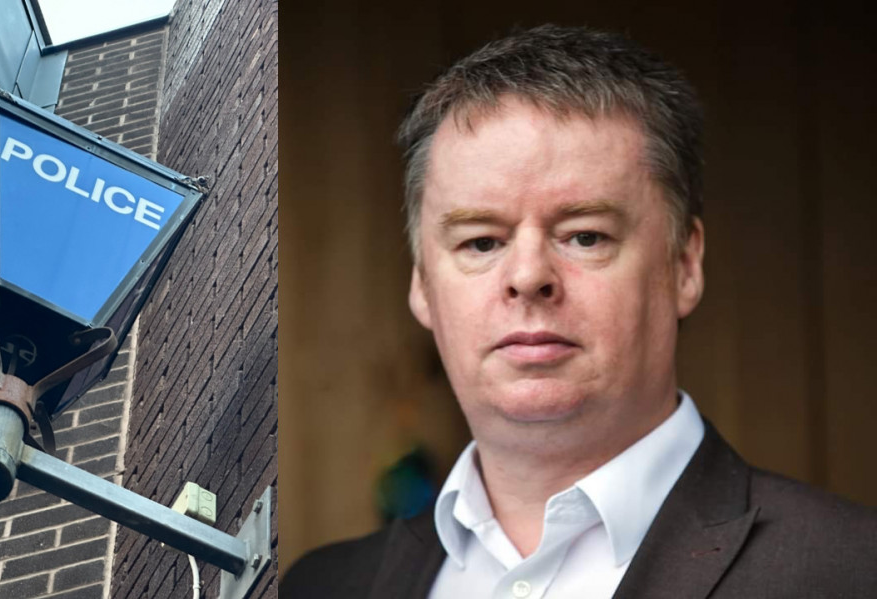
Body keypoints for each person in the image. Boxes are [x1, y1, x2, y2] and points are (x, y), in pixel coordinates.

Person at [281, 24, 877, 598]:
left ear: (685, 266)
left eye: (585, 236)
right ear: (421, 286)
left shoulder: (852, 570)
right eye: (481, 242)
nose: (528, 277)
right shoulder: (322, 587)